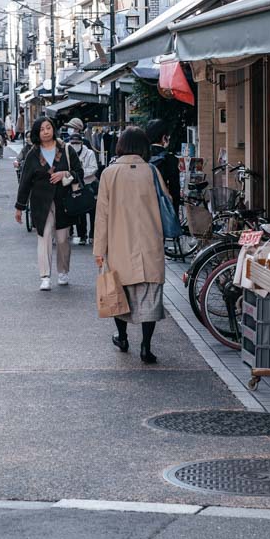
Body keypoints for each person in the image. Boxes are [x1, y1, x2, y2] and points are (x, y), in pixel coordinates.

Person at [94, 127, 169, 364]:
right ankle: (146, 347)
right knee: (149, 294)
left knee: (120, 291)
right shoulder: (152, 171)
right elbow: (166, 202)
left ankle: (123, 337)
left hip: (119, 243)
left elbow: (102, 214)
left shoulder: (109, 173)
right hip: (150, 241)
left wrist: (99, 249)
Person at [15, 116, 82, 290]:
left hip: (63, 201)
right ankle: (45, 276)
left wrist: (64, 174)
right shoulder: (33, 154)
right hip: (40, 203)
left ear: (53, 129)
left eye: (48, 128)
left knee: (62, 239)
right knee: (43, 238)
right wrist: (19, 207)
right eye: (42, 129)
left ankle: (63, 271)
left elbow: (79, 172)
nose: (46, 132)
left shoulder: (66, 149)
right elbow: (25, 181)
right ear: (37, 133)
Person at [66, 117, 101, 246]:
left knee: (93, 210)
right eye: (72, 143)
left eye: (77, 143)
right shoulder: (67, 151)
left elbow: (93, 168)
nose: (74, 145)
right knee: (79, 210)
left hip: (90, 185)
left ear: (81, 143)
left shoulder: (89, 153)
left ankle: (92, 234)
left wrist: (79, 174)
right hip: (76, 185)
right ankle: (81, 235)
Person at [147, 120, 181, 206]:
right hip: (162, 207)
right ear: (164, 138)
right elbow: (175, 191)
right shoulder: (170, 159)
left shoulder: (141, 157)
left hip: (144, 207)